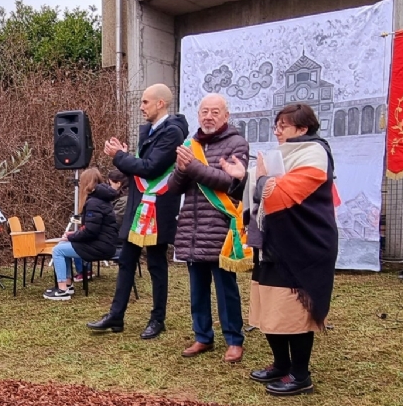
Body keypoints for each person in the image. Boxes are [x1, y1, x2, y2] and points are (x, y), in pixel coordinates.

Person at [221, 103, 338, 396]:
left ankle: (301, 375)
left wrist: (258, 179)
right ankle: (281, 363)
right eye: (276, 125)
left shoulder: (314, 153)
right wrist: (243, 178)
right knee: (271, 305)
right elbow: (264, 189)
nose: (277, 131)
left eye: (283, 126)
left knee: (294, 311)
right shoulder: (281, 155)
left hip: (303, 244)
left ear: (303, 129)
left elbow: (285, 192)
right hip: (273, 241)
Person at [88, 83, 189, 339]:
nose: (141, 107)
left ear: (160, 103)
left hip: (157, 206)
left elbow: (151, 167)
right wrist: (123, 155)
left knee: (156, 263)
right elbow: (139, 167)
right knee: (126, 260)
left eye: (145, 102)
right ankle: (116, 316)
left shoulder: (173, 132)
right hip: (138, 204)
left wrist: (119, 155)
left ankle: (157, 319)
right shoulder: (151, 130)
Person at [170, 93, 250, 363]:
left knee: (226, 289)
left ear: (226, 116)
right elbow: (173, 187)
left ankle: (234, 340)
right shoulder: (190, 145)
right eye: (204, 111)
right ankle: (202, 336)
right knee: (198, 289)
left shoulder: (237, 143)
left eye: (215, 112)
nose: (209, 116)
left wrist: (191, 166)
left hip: (220, 227)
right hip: (192, 228)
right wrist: (182, 169)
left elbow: (228, 181)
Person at [44, 168, 120, 300]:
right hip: (104, 243)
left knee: (58, 250)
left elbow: (91, 232)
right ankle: (67, 285)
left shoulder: (93, 203)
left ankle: (62, 290)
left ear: (86, 183)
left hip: (100, 247)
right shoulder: (101, 199)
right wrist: (73, 234)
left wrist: (71, 236)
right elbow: (94, 228)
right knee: (63, 246)